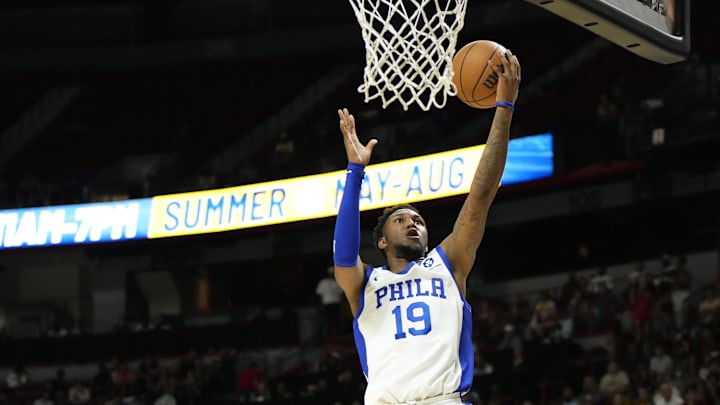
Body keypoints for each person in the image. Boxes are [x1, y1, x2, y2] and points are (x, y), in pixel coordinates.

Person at [332, 50, 521, 404]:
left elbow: (480, 197)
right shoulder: (364, 283)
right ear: (383, 242)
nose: (413, 223)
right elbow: (343, 254)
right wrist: (355, 172)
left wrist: (504, 110)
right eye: (400, 220)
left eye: (417, 220)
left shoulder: (448, 262)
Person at [316, 265, 346, 338]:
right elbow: (319, 295)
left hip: (335, 304)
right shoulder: (323, 282)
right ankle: (327, 337)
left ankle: (336, 336)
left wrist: (342, 305)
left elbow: (341, 295)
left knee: (336, 321)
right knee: (327, 321)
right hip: (327, 304)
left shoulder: (337, 282)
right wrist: (320, 305)